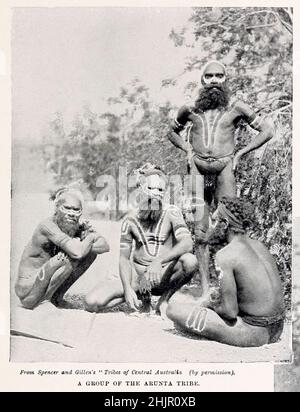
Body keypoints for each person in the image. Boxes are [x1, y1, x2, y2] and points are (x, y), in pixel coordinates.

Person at [168, 60, 275, 243]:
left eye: (219, 75)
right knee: (199, 230)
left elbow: (267, 130)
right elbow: (171, 132)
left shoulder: (236, 106)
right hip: (197, 167)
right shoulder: (190, 108)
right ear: (202, 80)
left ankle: (226, 269)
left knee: (231, 224)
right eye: (209, 76)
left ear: (225, 79)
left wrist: (241, 153)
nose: (214, 80)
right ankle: (202, 271)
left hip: (225, 166)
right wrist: (187, 149)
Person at [166, 196, 285, 347]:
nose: (210, 227)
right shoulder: (260, 246)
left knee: (174, 309)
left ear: (225, 224)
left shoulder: (226, 255)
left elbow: (229, 312)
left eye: (214, 221)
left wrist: (209, 303)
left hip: (254, 333)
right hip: (277, 329)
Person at [85, 164, 198, 315]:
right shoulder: (130, 220)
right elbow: (124, 259)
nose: (155, 194)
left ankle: (164, 299)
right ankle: (140, 295)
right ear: (141, 190)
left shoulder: (172, 212)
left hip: (163, 275)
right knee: (92, 303)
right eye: (151, 189)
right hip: (138, 278)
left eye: (160, 190)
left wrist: (159, 261)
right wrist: (127, 288)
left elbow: (187, 243)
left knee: (190, 261)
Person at [15, 187, 110, 310]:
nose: (71, 213)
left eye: (76, 210)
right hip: (27, 287)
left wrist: (86, 242)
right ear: (57, 208)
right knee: (66, 257)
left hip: (45, 276)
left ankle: (57, 298)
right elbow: (77, 253)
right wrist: (90, 237)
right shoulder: (47, 226)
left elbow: (105, 246)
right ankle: (43, 302)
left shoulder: (73, 226)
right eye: (67, 208)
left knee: (90, 254)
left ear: (81, 212)